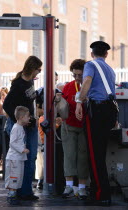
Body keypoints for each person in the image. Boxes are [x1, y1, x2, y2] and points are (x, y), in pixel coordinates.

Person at [75, 41, 117, 206]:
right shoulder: (110, 70)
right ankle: (99, 190)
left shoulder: (90, 65)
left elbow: (86, 82)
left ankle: (100, 194)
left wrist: (79, 99)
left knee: (94, 154)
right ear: (106, 54)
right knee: (100, 153)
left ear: (92, 54)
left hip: (97, 111)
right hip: (109, 111)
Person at [3, 55, 42, 200]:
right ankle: (22, 190)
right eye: (38, 69)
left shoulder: (29, 81)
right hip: (21, 125)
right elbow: (7, 105)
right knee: (23, 158)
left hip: (29, 124)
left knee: (30, 157)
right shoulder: (18, 84)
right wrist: (18, 121)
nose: (39, 72)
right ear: (32, 69)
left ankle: (24, 190)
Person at [58, 59, 89, 199]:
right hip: (69, 125)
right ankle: (69, 185)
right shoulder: (68, 86)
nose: (77, 78)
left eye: (80, 75)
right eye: (74, 75)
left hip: (84, 126)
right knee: (69, 155)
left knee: (83, 157)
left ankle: (82, 187)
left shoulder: (89, 86)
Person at [5, 106, 30, 205]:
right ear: (21, 117)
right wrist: (22, 149)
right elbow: (12, 142)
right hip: (14, 158)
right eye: (27, 116)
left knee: (18, 176)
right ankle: (11, 194)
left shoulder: (20, 127)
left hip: (18, 158)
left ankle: (13, 193)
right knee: (14, 176)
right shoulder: (16, 128)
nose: (29, 118)